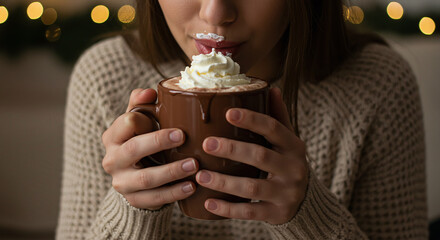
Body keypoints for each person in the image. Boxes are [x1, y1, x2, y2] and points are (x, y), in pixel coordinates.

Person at [56, 0, 428, 239]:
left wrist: (308, 216)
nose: (216, 13)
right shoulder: (105, 77)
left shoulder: (379, 85)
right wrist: (132, 212)